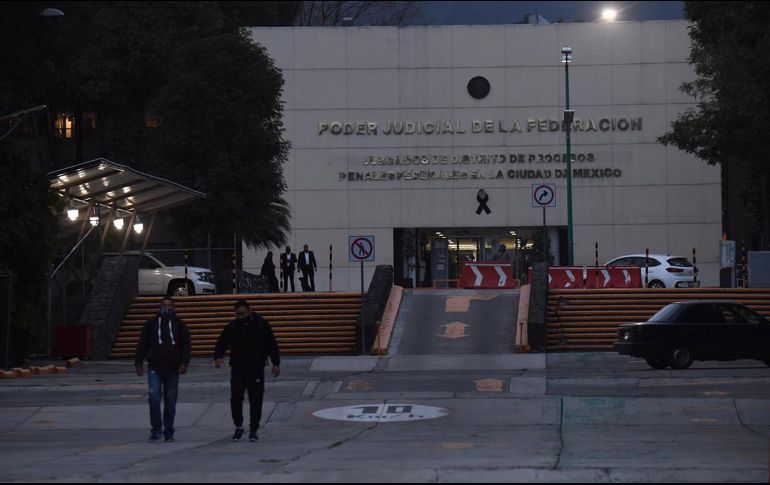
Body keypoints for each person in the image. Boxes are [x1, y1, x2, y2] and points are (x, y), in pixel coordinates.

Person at [214, 300, 281, 443]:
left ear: (250, 311)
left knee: (256, 400)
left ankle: (253, 429)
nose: (240, 317)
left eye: (243, 314)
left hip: (256, 368)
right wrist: (218, 357)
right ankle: (238, 425)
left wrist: (276, 363)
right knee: (236, 398)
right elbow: (222, 342)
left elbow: (272, 344)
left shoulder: (261, 325)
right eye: (237, 314)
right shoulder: (233, 326)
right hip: (238, 369)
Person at [135, 297, 191, 443]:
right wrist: (139, 363)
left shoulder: (179, 324)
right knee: (154, 397)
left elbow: (186, 344)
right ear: (160, 306)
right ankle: (156, 430)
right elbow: (142, 343)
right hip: (155, 367)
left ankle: (169, 431)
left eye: (170, 305)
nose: (167, 308)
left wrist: (184, 362)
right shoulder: (151, 324)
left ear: (174, 307)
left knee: (170, 400)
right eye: (165, 305)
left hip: (172, 368)